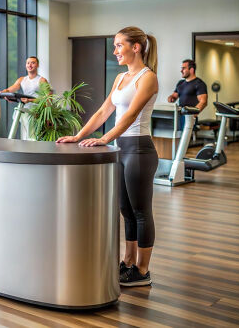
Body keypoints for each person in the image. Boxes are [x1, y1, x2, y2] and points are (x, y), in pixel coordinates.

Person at [57, 26, 159, 287]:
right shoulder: (121, 78)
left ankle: (143, 270)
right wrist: (78, 135)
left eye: (118, 45)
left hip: (139, 149)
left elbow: (130, 116)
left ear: (135, 47)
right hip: (121, 150)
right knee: (125, 210)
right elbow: (103, 112)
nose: (114, 51)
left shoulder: (147, 78)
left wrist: (104, 139)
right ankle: (127, 262)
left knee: (141, 211)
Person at [0, 56, 48, 140]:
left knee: (33, 137)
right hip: (24, 110)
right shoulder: (22, 79)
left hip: (35, 111)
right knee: (25, 135)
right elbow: (10, 89)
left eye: (33, 63)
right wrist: (2, 93)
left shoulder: (42, 80)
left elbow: (47, 99)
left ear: (37, 65)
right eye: (28, 63)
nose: (30, 65)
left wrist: (30, 100)